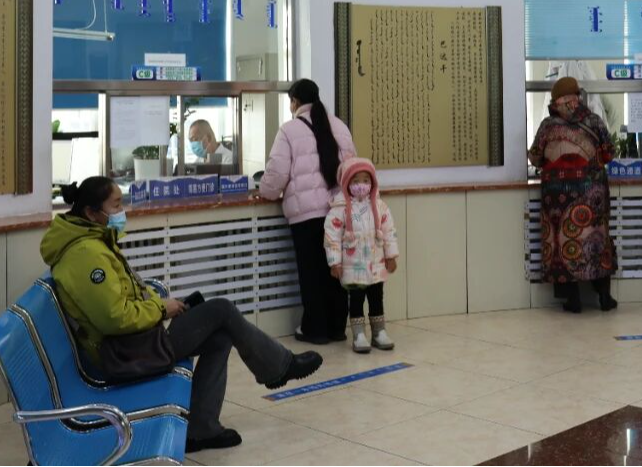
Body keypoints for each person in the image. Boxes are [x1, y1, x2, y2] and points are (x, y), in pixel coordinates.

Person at [42, 178, 323, 454]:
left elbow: (125, 297)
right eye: (115, 206)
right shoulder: (85, 254)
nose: (121, 212)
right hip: (122, 353)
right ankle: (279, 368)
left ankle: (202, 429)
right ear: (91, 213)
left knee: (220, 335)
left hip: (132, 341)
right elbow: (114, 318)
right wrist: (162, 309)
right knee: (222, 310)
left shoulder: (93, 240)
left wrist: (164, 304)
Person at [259, 79, 358, 344]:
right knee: (335, 270)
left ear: (294, 102)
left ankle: (315, 329)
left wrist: (265, 192)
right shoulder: (339, 126)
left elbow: (276, 174)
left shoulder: (289, 130)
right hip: (337, 212)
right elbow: (351, 169)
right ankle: (337, 327)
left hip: (306, 217)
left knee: (311, 272)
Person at [527, 77, 619, 314]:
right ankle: (604, 296)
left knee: (562, 243)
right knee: (596, 241)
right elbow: (609, 153)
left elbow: (535, 157)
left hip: (557, 197)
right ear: (577, 96)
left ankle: (572, 299)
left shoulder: (548, 125)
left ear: (555, 100)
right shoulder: (594, 120)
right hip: (592, 194)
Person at [324, 157, 399, 353]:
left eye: (366, 180)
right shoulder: (339, 210)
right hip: (353, 267)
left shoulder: (380, 206)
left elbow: (389, 232)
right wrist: (334, 262)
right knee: (356, 300)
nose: (361, 185)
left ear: (372, 182)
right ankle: (358, 334)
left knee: (377, 298)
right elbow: (331, 237)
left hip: (376, 264)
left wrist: (391, 256)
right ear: (346, 182)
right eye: (356, 181)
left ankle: (379, 332)